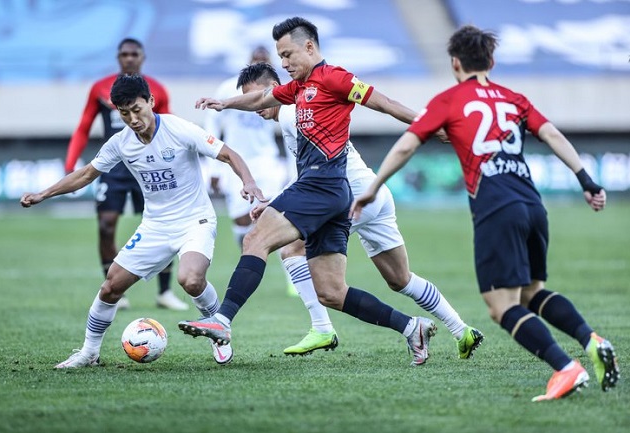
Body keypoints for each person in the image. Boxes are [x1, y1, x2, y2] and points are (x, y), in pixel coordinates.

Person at [351, 25, 619, 401]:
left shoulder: (449, 100)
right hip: (532, 205)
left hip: (497, 208)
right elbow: (553, 134)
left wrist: (374, 187)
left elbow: (406, 146)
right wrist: (587, 180)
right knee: (531, 293)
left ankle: (565, 368)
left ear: (455, 64)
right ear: (491, 61)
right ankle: (591, 340)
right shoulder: (514, 98)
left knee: (500, 307)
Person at [179, 16, 438, 367]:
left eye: (287, 55)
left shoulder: (335, 77)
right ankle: (412, 327)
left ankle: (221, 321)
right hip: (332, 194)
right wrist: (224, 103)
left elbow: (385, 103)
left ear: (310, 46)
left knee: (256, 240)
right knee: (331, 291)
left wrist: (428, 125)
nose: (283, 64)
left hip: (322, 184)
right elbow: (262, 99)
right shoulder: (298, 88)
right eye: (280, 58)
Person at [237, 62, 484, 358]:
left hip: (350, 199)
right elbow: (307, 176)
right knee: (400, 279)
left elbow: (315, 178)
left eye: (258, 97)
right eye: (247, 100)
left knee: (291, 248)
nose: (256, 106)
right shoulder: (296, 112)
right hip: (373, 192)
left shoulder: (292, 113)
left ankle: (322, 328)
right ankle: (462, 330)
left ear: (274, 88)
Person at [21, 74, 265, 368]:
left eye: (137, 109)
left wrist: (248, 182)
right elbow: (86, 174)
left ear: (150, 102)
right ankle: (88, 352)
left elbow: (228, 154)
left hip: (194, 220)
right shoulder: (121, 143)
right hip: (155, 226)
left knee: (190, 279)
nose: (133, 119)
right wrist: (44, 194)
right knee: (111, 287)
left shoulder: (178, 129)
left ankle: (218, 331)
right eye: (124, 113)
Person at [64, 37, 188, 311]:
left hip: (149, 167)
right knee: (106, 225)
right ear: (118, 57)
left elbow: (170, 126)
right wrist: (70, 163)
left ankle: (165, 292)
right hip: (114, 168)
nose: (129, 58)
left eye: (134, 54)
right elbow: (84, 127)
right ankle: (115, 290)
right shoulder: (99, 88)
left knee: (165, 226)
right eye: (124, 54)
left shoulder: (156, 89)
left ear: (142, 57)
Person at [203, 46, 297, 296]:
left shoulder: (280, 94)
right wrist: (213, 167)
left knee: (280, 218)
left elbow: (290, 133)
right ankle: (251, 259)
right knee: (242, 221)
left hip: (266, 161)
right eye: (256, 61)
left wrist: (291, 168)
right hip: (236, 164)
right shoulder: (228, 88)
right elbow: (213, 126)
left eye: (265, 61)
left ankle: (293, 274)